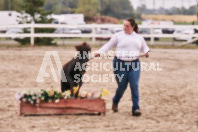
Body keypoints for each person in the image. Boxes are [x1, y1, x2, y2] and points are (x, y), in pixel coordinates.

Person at [94, 18, 150, 116]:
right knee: (122, 86)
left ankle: (136, 108)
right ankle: (115, 101)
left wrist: (146, 52)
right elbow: (108, 45)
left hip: (134, 64)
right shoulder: (118, 36)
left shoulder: (138, 37)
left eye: (127, 26)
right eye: (124, 25)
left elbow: (144, 47)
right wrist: (99, 52)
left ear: (132, 27)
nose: (125, 27)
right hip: (119, 64)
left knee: (134, 85)